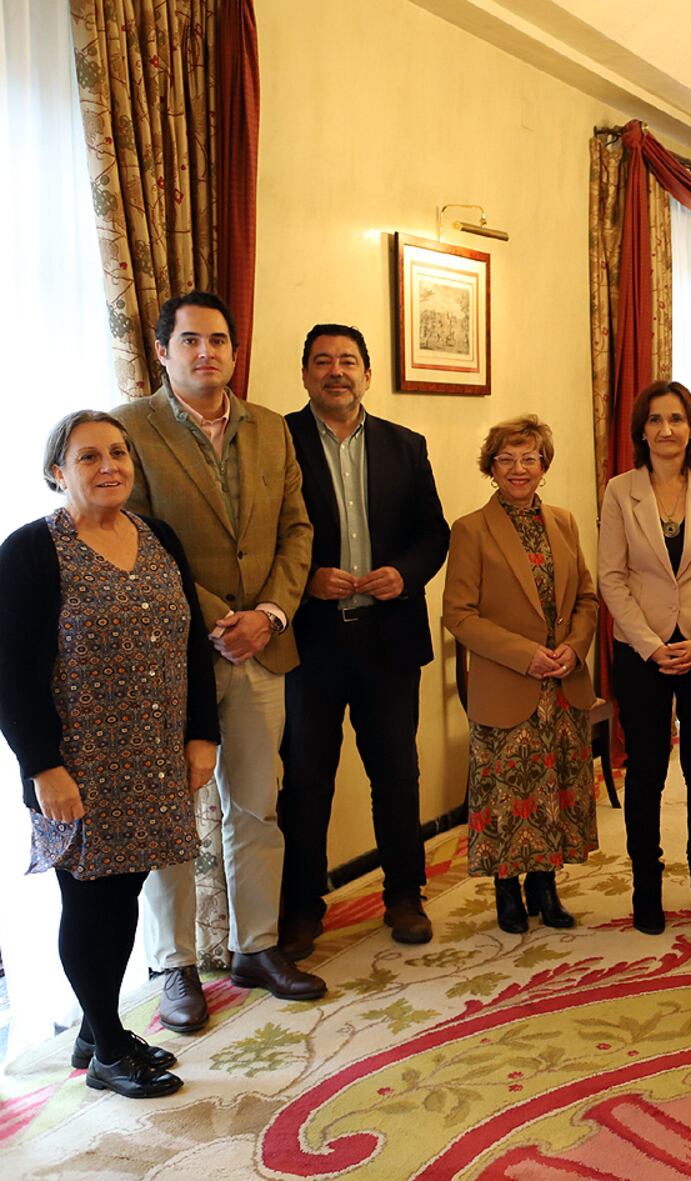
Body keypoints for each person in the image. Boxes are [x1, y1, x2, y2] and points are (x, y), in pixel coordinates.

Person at [112, 291, 322, 1033]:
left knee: (256, 805)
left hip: (263, 646)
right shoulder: (128, 429)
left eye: (220, 341)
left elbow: (298, 529)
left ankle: (255, 948)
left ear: (235, 351)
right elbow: (133, 537)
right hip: (174, 654)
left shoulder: (270, 427)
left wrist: (267, 615)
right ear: (163, 350)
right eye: (191, 341)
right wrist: (216, 620)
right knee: (171, 816)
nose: (208, 353)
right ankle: (174, 966)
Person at [0, 412, 218, 1097]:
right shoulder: (32, 550)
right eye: (88, 456)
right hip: (77, 767)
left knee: (123, 891)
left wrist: (201, 733)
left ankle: (99, 1031)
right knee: (91, 900)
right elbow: (9, 671)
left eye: (118, 452)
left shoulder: (159, 538)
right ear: (57, 471)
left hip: (155, 754)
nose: (109, 465)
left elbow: (191, 642)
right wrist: (43, 767)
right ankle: (106, 1053)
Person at [278, 324, 450, 958]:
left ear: (368, 374)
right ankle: (301, 910)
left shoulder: (407, 446)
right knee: (305, 782)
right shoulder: (279, 442)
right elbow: (266, 538)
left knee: (397, 777)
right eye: (322, 361)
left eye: (348, 361)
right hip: (311, 645)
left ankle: (405, 895)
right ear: (304, 375)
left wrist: (404, 574)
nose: (336, 372)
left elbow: (434, 534)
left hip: (389, 640)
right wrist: (304, 582)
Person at [598, 380, 691, 934]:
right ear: (642, 431)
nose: (666, 430)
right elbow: (611, 577)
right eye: (655, 420)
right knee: (648, 770)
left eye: (676, 419)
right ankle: (646, 888)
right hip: (641, 651)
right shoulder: (620, 491)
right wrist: (653, 646)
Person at [443, 416, 599, 933]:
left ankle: (545, 886)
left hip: (563, 683)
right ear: (491, 466)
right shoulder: (470, 529)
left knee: (552, 788)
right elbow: (458, 615)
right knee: (508, 794)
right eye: (507, 459)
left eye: (529, 458)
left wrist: (574, 649)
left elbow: (586, 599)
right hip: (510, 682)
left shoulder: (565, 521)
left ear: (543, 466)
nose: (518, 469)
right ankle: (507, 891)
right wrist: (525, 654)